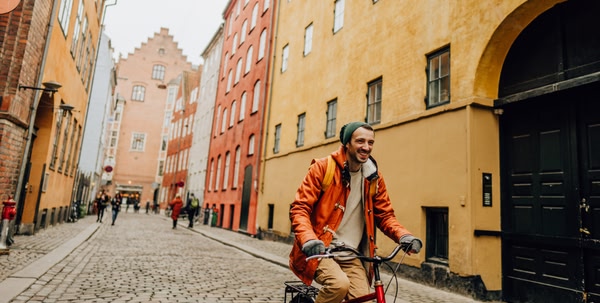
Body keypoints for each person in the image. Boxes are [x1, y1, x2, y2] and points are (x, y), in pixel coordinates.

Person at [289, 121, 423, 303]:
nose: (366, 147)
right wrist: (308, 239)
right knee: (338, 285)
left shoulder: (373, 178)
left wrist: (403, 236)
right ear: (347, 144)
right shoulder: (323, 168)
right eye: (360, 141)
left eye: (370, 142)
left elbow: (385, 215)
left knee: (364, 299)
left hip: (351, 254)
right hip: (321, 249)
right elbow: (300, 208)